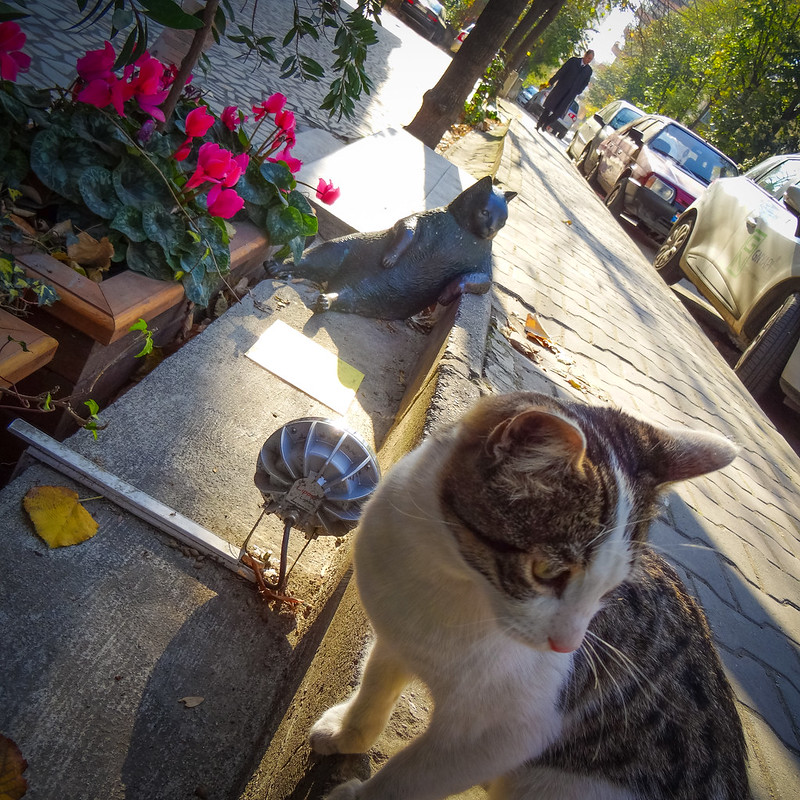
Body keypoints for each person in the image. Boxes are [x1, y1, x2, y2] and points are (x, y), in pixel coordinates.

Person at [536, 50, 594, 133]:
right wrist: (552, 81)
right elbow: (562, 71)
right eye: (588, 58)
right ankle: (539, 123)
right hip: (560, 88)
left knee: (558, 113)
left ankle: (546, 123)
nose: (588, 61)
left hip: (570, 94)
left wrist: (578, 91)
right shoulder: (573, 61)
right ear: (585, 55)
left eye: (590, 60)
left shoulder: (588, 71)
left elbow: (585, 83)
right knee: (548, 107)